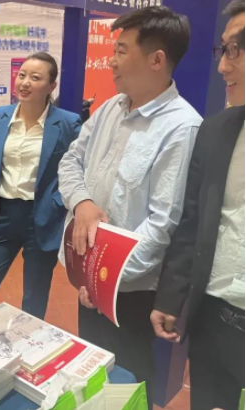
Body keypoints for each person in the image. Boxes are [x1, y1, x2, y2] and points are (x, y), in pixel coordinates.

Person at [57, 7, 202, 405]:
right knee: (95, 378)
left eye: (121, 51)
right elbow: (70, 161)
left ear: (157, 59)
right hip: (90, 281)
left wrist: (102, 282)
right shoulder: (110, 109)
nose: (111, 60)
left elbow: (162, 224)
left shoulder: (181, 127)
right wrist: (83, 201)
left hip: (129, 291)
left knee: (128, 386)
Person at [151, 1, 245, 409]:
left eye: (235, 50)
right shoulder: (216, 130)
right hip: (215, 319)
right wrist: (171, 297)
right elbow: (192, 221)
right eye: (222, 50)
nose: (222, 66)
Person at [0, 52, 81, 321]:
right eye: (22, 75)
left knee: (35, 294)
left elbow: (76, 169)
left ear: (52, 86)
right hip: (3, 214)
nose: (25, 83)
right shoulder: (1, 117)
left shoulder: (67, 122)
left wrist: (57, 203)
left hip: (42, 218)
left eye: (36, 78)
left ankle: (30, 340)